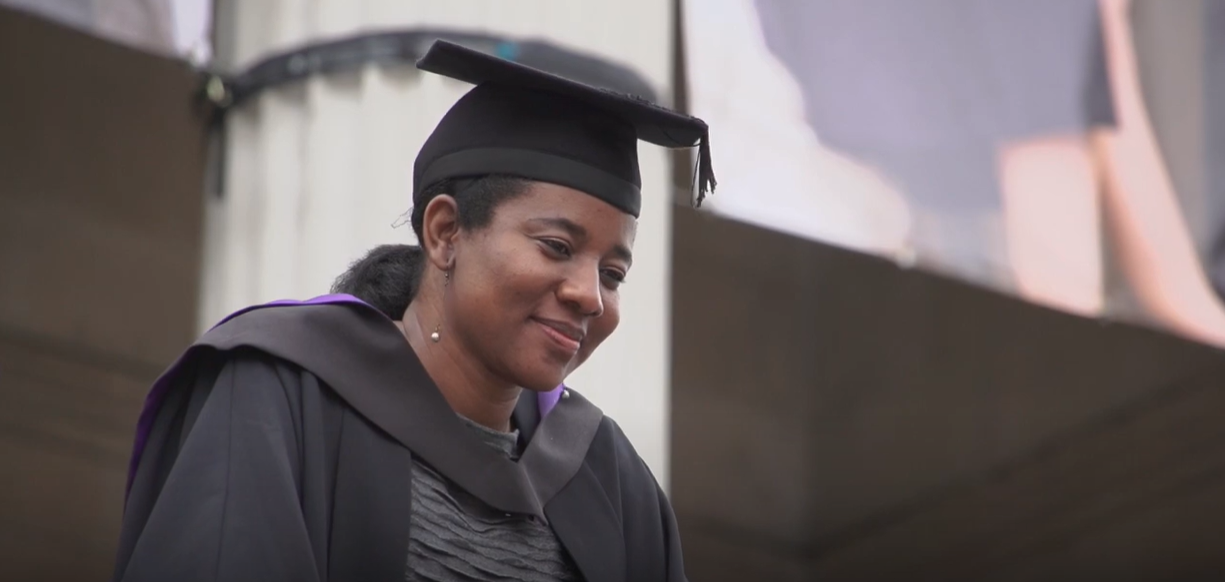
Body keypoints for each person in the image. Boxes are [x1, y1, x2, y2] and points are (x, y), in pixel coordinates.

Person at [113, 40, 714, 582]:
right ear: (446, 232)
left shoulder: (613, 485)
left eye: (613, 275)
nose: (589, 294)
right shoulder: (280, 394)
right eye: (557, 248)